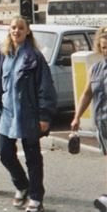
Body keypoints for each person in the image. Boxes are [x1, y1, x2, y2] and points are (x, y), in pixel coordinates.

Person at [0, 16, 56, 212]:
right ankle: (22, 185)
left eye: (20, 28)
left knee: (32, 157)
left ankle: (36, 197)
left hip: (29, 113)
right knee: (4, 152)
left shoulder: (34, 56)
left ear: (27, 31)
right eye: (13, 28)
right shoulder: (3, 54)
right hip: (7, 113)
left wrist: (44, 116)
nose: (16, 31)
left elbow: (46, 87)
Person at [70, 25, 107, 211]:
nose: (106, 50)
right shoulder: (96, 69)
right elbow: (86, 94)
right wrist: (77, 117)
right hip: (102, 124)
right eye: (104, 47)